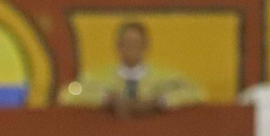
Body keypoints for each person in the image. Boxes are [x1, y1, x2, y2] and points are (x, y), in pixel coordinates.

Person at [61, 21, 201, 116]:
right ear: (118, 46)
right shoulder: (96, 77)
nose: (131, 49)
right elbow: (68, 93)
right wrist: (106, 99)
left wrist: (160, 101)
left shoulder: (166, 78)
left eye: (136, 44)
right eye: (127, 44)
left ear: (146, 46)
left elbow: (197, 92)